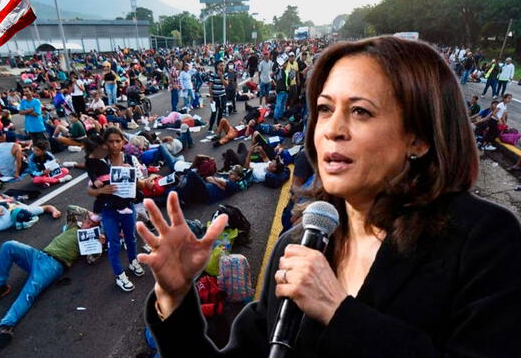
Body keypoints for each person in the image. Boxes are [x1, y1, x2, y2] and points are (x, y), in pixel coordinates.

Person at [138, 37, 521, 357]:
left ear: (418, 137)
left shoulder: (483, 241)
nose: (332, 129)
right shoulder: (297, 245)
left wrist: (338, 312)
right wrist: (174, 297)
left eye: (360, 111)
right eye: (324, 108)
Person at [0, 206, 103, 347]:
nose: (89, 223)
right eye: (88, 221)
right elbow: (69, 208)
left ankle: (5, 327)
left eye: (93, 224)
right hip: (38, 255)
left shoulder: (90, 239)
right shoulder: (72, 226)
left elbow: (91, 259)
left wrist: (99, 244)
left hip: (53, 265)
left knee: (28, 292)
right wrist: (89, 213)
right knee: (9, 245)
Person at [86, 127, 145, 292]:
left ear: (123, 142)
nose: (114, 145)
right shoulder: (100, 161)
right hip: (108, 208)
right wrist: (101, 191)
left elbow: (142, 184)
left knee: (130, 237)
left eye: (118, 141)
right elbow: (90, 190)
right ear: (105, 143)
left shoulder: (130, 159)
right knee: (113, 242)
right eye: (110, 141)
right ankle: (119, 274)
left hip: (127, 205)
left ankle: (133, 261)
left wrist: (130, 172)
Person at [208, 62, 228, 132]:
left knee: (220, 112)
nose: (223, 67)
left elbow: (226, 84)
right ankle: (210, 127)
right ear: (217, 66)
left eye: (223, 65)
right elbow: (210, 87)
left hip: (222, 96)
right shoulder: (213, 75)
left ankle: (218, 126)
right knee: (214, 112)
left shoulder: (225, 74)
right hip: (215, 97)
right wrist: (211, 97)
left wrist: (221, 77)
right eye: (221, 65)